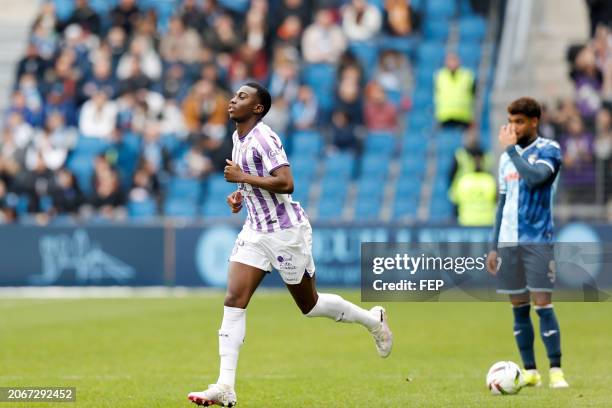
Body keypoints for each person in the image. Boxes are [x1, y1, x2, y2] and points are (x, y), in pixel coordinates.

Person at [187, 83, 393, 407]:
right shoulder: (237, 138)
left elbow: (286, 181)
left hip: (285, 232)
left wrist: (245, 177)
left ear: (257, 108)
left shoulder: (265, 137)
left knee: (310, 306)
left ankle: (372, 321)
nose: (232, 99)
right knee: (234, 298)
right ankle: (225, 384)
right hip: (255, 230)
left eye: (242, 97)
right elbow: (254, 181)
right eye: (235, 94)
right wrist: (241, 194)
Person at [486, 97, 569, 389]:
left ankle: (556, 370)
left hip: (537, 240)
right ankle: (530, 370)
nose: (514, 127)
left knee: (543, 305)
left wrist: (510, 148)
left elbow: (536, 179)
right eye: (511, 122)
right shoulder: (505, 159)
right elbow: (502, 202)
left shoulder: (550, 149)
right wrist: (494, 246)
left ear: (534, 121)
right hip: (508, 243)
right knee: (518, 308)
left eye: (519, 122)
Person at [434, 53, 475, 129]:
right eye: (450, 60)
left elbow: (474, 94)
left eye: (454, 60)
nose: (452, 63)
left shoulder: (467, 75)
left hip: (463, 117)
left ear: (459, 61)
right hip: (444, 117)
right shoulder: (439, 75)